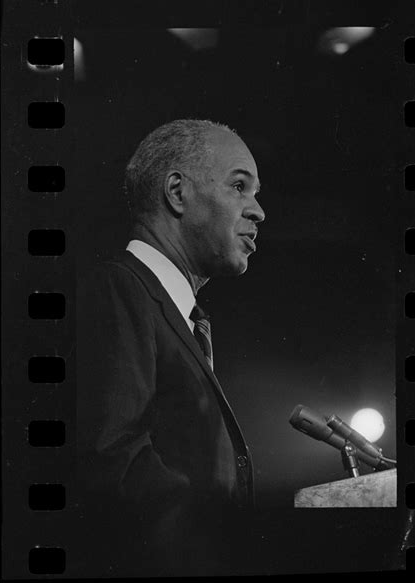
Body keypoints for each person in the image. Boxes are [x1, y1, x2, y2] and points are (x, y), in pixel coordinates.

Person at [76, 119, 265, 576]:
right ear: (177, 192)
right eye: (239, 186)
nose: (257, 211)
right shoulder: (117, 288)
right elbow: (113, 458)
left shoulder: (176, 314)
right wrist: (220, 547)